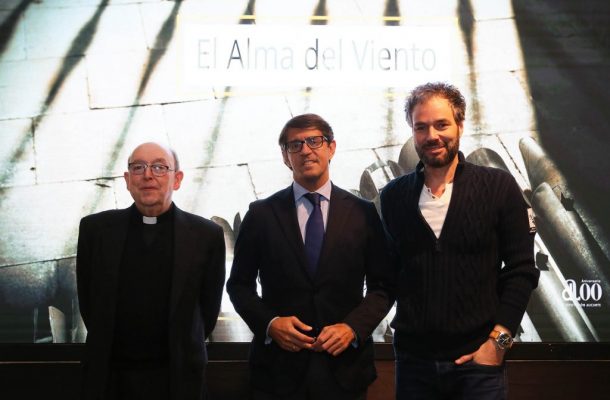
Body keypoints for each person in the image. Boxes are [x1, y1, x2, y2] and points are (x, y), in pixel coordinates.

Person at [380, 82, 540, 400]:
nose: (432, 136)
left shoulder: (498, 187)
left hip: (479, 366)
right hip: (414, 366)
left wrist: (498, 343)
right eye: (421, 127)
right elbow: (388, 276)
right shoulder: (393, 196)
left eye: (442, 124)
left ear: (460, 125)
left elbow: (521, 270)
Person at [226, 113, 395, 400]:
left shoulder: (363, 213)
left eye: (314, 141)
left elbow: (384, 285)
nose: (305, 150)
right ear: (285, 156)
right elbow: (239, 286)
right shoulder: (261, 215)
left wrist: (353, 328)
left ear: (331, 148)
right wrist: (270, 324)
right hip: (278, 372)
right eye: (295, 145)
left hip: (345, 370)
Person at [76, 142, 225, 400]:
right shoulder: (96, 231)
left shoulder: (206, 235)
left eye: (159, 167)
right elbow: (89, 303)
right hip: (111, 377)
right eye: (138, 167)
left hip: (177, 377)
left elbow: (208, 309)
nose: (147, 175)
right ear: (127, 179)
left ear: (177, 179)